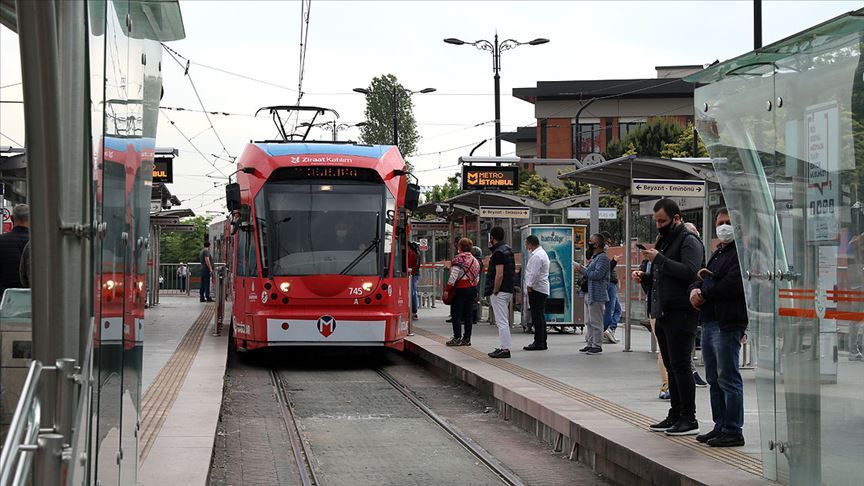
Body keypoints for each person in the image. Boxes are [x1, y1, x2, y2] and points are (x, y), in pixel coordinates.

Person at [633, 198, 703, 436]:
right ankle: (675, 413)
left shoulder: (688, 241)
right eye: (656, 221)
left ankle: (689, 417)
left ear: (676, 218)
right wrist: (646, 278)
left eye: (662, 221)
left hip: (681, 313)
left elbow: (691, 272)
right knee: (672, 366)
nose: (659, 226)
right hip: (663, 312)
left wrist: (660, 260)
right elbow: (664, 277)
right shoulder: (666, 240)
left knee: (681, 365)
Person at [689, 208, 748, 447]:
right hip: (711, 320)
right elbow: (704, 277)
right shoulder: (719, 252)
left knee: (728, 376)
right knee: (713, 377)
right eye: (720, 222)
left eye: (728, 222)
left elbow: (732, 284)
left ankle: (734, 429)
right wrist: (696, 288)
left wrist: (704, 290)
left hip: (728, 322)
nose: (723, 227)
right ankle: (720, 424)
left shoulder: (741, 253)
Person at [576, 233, 610, 355]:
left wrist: (582, 270)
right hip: (589, 293)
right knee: (589, 321)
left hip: (597, 294)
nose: (588, 244)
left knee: (596, 321)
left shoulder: (603, 259)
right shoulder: (595, 258)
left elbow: (597, 275)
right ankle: (590, 343)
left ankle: (597, 345)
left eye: (590, 241)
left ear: (596, 244)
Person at [485, 227, 516, 359]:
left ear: (492, 237)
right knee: (503, 320)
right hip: (508, 289)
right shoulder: (508, 249)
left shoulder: (498, 252)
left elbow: (499, 274)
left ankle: (505, 348)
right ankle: (504, 346)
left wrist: (495, 290)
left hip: (500, 290)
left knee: (501, 321)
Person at [446, 238, 480, 347]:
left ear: (459, 247)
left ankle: (457, 338)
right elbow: (477, 277)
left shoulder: (458, 259)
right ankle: (467, 338)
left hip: (460, 289)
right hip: (472, 288)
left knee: (456, 314)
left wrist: (447, 289)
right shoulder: (475, 260)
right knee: (468, 314)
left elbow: (453, 276)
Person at [523, 234, 550, 351]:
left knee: (537, 316)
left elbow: (534, 273)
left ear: (530, 244)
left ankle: (538, 342)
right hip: (541, 288)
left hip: (536, 289)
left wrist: (529, 286)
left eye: (526, 243)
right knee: (540, 316)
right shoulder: (541, 254)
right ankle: (542, 341)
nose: (525, 245)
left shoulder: (537, 256)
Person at [0, 204, 31, 300]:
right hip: (33, 299)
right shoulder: (39, 242)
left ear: (12, 218)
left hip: (5, 300)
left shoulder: (1, 241)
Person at [600, 231, 622, 344]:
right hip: (610, 283)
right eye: (608, 242)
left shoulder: (601, 254)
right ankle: (607, 330)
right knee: (611, 308)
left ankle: (609, 330)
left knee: (617, 309)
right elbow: (606, 269)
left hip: (611, 282)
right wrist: (614, 261)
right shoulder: (601, 254)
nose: (609, 245)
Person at [408, 242, 420, 319]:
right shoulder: (416, 254)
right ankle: (414, 311)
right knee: (413, 292)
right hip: (415, 275)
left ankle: (413, 311)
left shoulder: (412, 254)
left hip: (412, 275)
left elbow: (409, 265)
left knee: (412, 292)